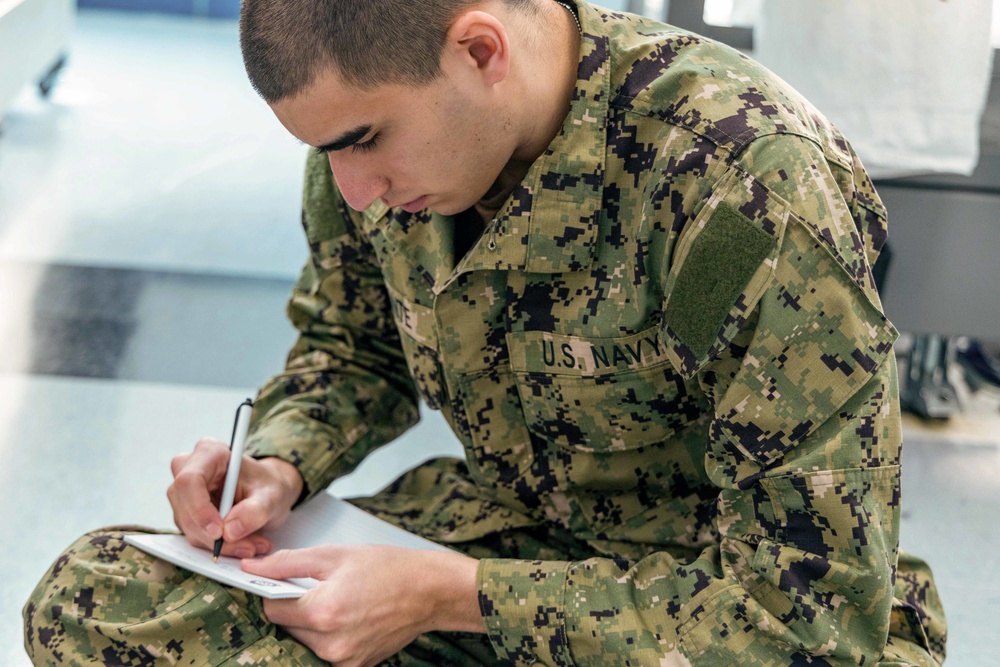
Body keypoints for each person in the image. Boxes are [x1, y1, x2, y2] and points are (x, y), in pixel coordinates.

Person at [23, 1, 947, 665]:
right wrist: (276, 465)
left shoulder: (741, 189)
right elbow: (354, 350)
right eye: (324, 151)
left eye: (362, 139)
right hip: (505, 543)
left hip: (705, 607)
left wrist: (449, 601)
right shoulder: (373, 164)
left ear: (480, 49)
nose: (352, 189)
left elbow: (811, 622)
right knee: (93, 594)